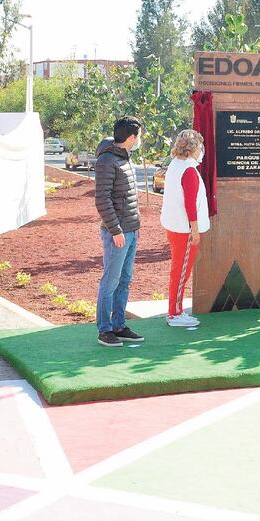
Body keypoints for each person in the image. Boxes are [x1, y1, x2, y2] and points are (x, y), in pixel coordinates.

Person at [94, 116, 145, 347]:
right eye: (139, 135)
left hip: (131, 230)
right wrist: (115, 230)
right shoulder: (107, 160)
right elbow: (102, 199)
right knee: (111, 281)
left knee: (124, 280)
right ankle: (104, 330)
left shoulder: (124, 158)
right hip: (118, 233)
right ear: (132, 137)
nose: (140, 139)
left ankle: (119, 325)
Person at [160, 129, 210, 327]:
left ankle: (176, 310)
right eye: (200, 146)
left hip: (175, 227)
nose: (202, 150)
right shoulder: (189, 170)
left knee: (178, 271)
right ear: (194, 148)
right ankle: (174, 314)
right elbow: (190, 203)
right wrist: (195, 230)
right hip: (185, 230)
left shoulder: (175, 164)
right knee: (181, 272)